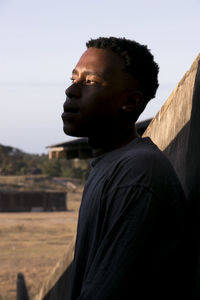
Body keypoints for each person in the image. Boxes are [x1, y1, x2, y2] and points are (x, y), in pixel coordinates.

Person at [62, 37, 187, 300]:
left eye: (90, 82)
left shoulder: (136, 173)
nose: (71, 90)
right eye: (73, 79)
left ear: (130, 102)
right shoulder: (110, 165)